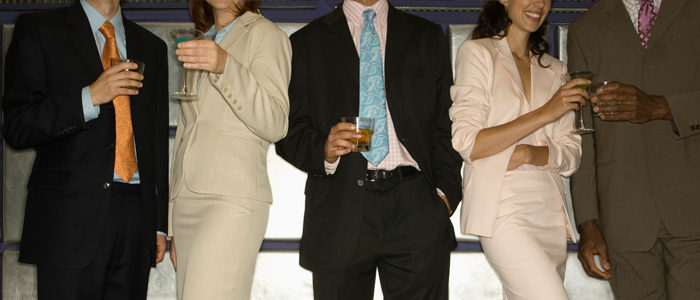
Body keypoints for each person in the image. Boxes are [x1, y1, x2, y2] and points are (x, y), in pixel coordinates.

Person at [275, 0, 462, 298]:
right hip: (338, 206)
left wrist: (444, 196)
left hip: (416, 206)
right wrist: (323, 149)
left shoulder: (427, 36)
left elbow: (447, 122)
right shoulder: (306, 42)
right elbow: (287, 130)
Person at [2, 0, 169, 298]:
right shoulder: (39, 29)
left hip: (136, 217)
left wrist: (157, 223)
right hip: (68, 217)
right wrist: (90, 97)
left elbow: (156, 140)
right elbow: (18, 126)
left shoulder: (152, 47)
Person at [450, 0, 584, 299]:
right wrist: (546, 112)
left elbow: (571, 155)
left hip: (549, 211)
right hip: (503, 207)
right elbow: (468, 142)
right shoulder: (478, 53)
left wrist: (530, 154)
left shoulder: (556, 69)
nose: (539, 4)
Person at [568, 0, 700, 298]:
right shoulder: (584, 29)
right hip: (624, 216)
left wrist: (661, 107)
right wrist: (588, 224)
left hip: (693, 207)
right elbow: (583, 135)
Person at [167, 0, 291, 298]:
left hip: (231, 200)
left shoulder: (267, 35)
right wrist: (171, 220)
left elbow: (276, 122)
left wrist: (225, 66)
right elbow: (186, 130)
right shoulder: (202, 38)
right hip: (187, 201)